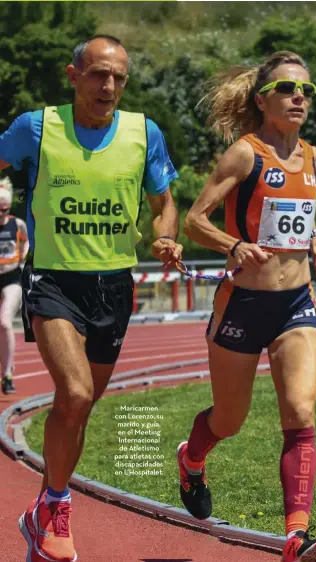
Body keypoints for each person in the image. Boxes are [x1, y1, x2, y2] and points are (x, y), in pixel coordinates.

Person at [0, 34, 182, 562]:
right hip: (54, 281)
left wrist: (165, 235)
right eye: (98, 74)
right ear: (73, 74)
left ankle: (40, 512)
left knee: (79, 410)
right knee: (75, 394)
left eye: (118, 77)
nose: (109, 86)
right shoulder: (36, 127)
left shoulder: (143, 132)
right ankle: (57, 506)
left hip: (114, 287)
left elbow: (164, 201)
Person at [177, 51, 316, 562]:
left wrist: (315, 244)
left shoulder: (315, 158)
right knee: (230, 419)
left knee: (301, 411)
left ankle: (296, 536)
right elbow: (194, 221)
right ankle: (192, 458)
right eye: (289, 88)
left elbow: (298, 215)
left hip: (296, 303)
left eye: (307, 90)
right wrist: (233, 245)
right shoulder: (245, 155)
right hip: (242, 305)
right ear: (262, 98)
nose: (299, 97)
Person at [0, 177, 29, 394]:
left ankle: (7, 374)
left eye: (5, 210)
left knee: (4, 323)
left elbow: (26, 240)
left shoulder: (17, 224)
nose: (1, 214)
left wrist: (23, 257)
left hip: (12, 278)